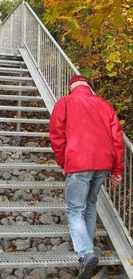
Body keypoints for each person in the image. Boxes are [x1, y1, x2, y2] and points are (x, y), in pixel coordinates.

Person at [49, 74, 124, 279]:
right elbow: (117, 138)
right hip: (103, 165)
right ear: (89, 86)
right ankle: (88, 250)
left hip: (78, 163)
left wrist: (63, 162)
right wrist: (117, 170)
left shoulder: (64, 103)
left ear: (71, 87)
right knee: (89, 205)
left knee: (75, 209)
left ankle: (85, 253)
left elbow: (56, 135)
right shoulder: (105, 105)